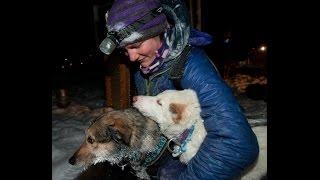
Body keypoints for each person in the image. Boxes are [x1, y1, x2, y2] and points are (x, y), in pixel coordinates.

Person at [99, 0, 259, 179]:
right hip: (174, 151)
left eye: (135, 45)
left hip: (201, 158)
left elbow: (236, 143)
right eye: (124, 50)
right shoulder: (145, 67)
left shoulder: (192, 66)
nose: (131, 57)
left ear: (156, 31)